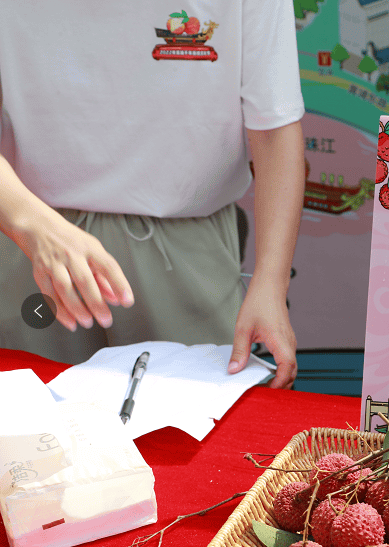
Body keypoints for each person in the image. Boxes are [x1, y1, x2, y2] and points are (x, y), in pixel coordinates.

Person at [0, 2, 305, 389]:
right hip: (30, 241)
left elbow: (274, 128)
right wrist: (30, 225)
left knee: (196, 432)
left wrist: (271, 283)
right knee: (29, 428)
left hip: (185, 250)